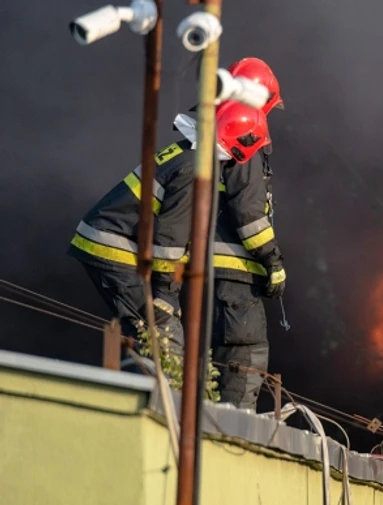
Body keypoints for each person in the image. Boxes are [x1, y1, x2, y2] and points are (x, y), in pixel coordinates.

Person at [68, 100, 271, 369]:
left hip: (112, 240)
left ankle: (154, 384)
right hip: (114, 247)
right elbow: (170, 239)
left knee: (153, 333)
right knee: (164, 334)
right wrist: (165, 295)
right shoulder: (197, 169)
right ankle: (162, 392)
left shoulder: (189, 151)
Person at [174, 57, 287, 410]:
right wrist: (273, 261)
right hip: (233, 279)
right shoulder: (243, 135)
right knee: (244, 357)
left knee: (202, 364)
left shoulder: (205, 129)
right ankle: (230, 435)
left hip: (198, 272)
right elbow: (249, 213)